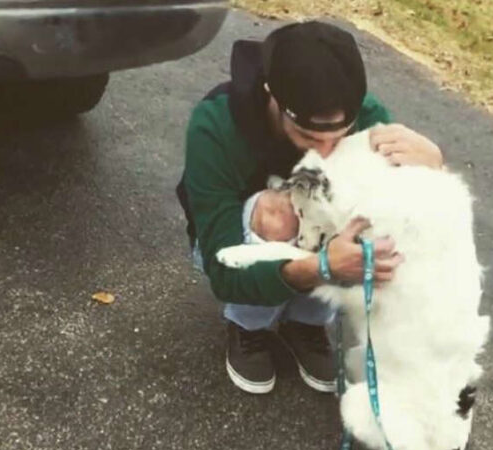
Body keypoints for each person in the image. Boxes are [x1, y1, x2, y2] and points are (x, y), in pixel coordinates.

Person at [176, 21, 445, 394]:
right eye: (309, 137)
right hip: (236, 243)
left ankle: (306, 321)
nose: (325, 153)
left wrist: (434, 170)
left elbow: (414, 227)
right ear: (272, 94)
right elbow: (223, 269)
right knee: (280, 214)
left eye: (339, 137)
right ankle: (248, 325)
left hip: (321, 246)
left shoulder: (369, 119)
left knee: (367, 220)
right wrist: (322, 269)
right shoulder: (215, 125)